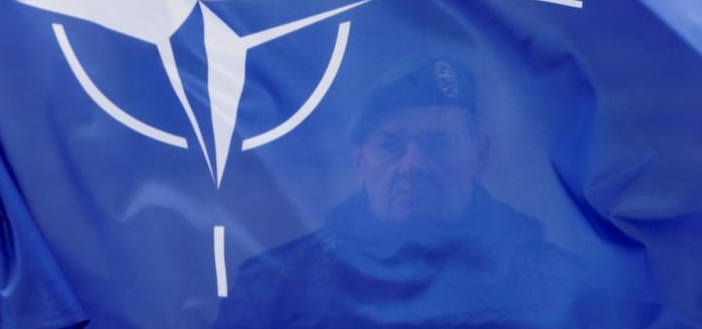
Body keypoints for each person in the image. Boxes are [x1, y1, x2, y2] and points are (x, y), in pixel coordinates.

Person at [214, 57, 665, 328]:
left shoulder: (562, 288)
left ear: (479, 156)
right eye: (391, 146)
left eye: (437, 145)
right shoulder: (277, 290)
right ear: (360, 163)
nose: (413, 166)